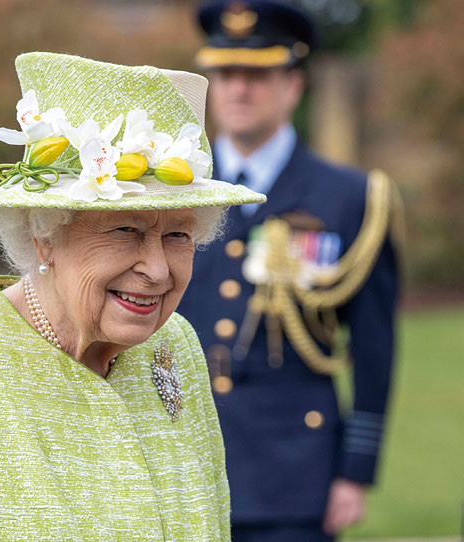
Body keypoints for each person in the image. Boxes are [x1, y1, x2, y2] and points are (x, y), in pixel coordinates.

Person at [0, 52, 266, 540]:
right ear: (42, 234)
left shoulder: (175, 344)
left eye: (178, 236)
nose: (156, 270)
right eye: (125, 229)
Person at [178, 2, 403, 541]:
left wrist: (356, 471)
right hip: (182, 465)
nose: (238, 89)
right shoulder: (176, 191)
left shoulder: (350, 198)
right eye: (225, 73)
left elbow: (374, 345)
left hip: (296, 473)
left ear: (293, 86)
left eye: (257, 74)